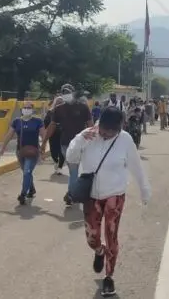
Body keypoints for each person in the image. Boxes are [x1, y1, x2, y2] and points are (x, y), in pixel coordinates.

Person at [65, 107, 151, 297]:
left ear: (120, 128)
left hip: (115, 194)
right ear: (99, 124)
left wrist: (145, 190)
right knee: (92, 237)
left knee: (111, 234)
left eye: (113, 131)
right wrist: (79, 140)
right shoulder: (88, 136)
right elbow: (70, 158)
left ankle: (109, 277)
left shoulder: (125, 139)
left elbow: (136, 166)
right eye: (105, 130)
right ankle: (99, 251)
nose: (108, 134)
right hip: (91, 196)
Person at [42, 83, 93, 206]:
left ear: (73, 93)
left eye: (68, 92)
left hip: (82, 144)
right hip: (66, 145)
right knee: (73, 169)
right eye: (64, 93)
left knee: (77, 171)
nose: (66, 95)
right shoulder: (59, 109)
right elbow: (51, 126)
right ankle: (71, 194)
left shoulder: (83, 107)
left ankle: (73, 193)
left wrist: (95, 142)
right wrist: (43, 142)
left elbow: (90, 125)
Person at [0, 101, 45, 204]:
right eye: (25, 107)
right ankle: (31, 189)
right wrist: (2, 148)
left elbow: (43, 136)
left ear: (32, 110)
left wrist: (43, 149)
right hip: (20, 152)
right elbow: (9, 135)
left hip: (33, 151)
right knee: (26, 173)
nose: (26, 109)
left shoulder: (38, 121)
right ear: (22, 109)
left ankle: (23, 194)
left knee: (27, 172)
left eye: (29, 108)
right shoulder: (17, 121)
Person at [44, 97, 65, 175]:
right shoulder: (50, 112)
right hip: (52, 135)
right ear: (55, 103)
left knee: (62, 152)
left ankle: (60, 167)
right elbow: (46, 122)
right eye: (58, 102)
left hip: (63, 135)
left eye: (61, 102)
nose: (59, 104)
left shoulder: (67, 112)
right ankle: (56, 161)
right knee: (53, 151)